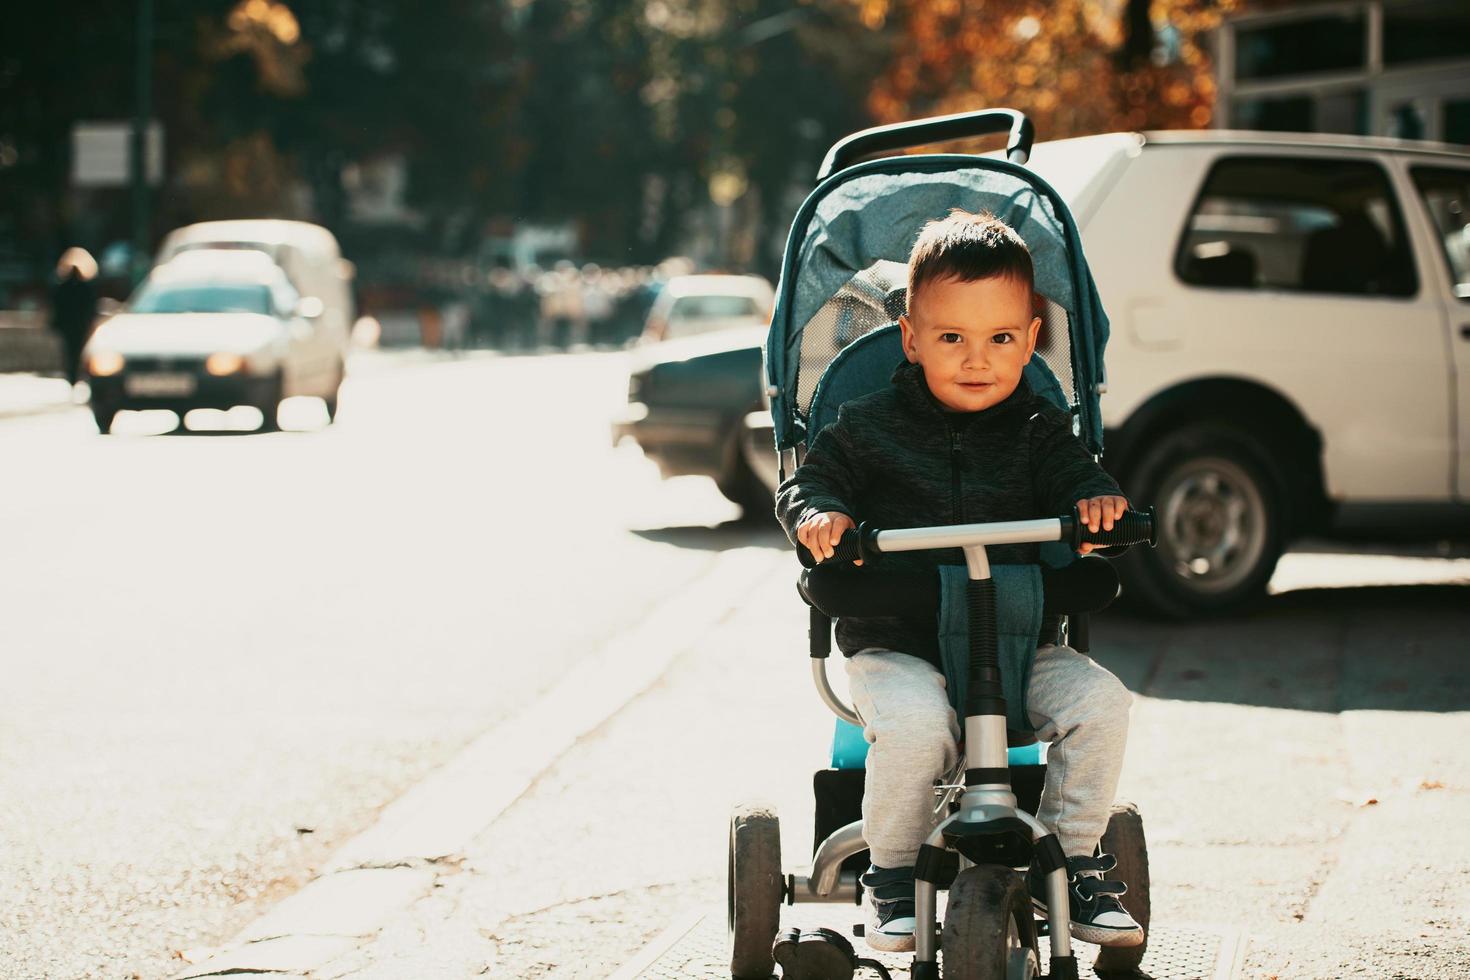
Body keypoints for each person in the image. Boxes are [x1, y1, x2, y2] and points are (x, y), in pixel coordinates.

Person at [776, 210, 1144, 953]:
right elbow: (811, 486)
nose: (978, 360)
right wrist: (820, 514)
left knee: (1101, 701)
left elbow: (1081, 479)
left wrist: (1095, 504)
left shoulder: (1041, 430)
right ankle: (893, 872)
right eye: (952, 338)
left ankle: (1072, 860)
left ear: (1031, 340)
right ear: (910, 338)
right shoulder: (865, 426)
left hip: (1015, 645)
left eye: (1001, 339)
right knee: (914, 727)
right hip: (901, 643)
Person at [50, 248, 99, 385]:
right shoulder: (86, 288)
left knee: (70, 351)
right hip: (80, 325)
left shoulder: (62, 287)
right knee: (77, 351)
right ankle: (75, 376)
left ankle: (72, 376)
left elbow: (56, 306)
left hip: (68, 325)